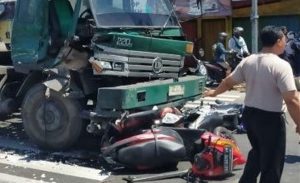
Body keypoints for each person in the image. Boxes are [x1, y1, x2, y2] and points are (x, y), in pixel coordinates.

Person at [204, 25, 300, 183]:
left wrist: (214, 92)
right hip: (270, 120)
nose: (285, 41)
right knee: (272, 163)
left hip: (250, 116)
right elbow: (292, 99)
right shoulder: (281, 65)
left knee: (258, 151)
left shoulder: (248, 61)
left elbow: (228, 81)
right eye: (284, 39)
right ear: (278, 41)